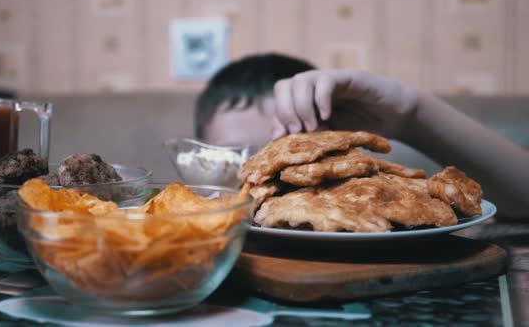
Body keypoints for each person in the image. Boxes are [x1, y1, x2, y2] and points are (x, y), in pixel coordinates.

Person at [195, 53, 529, 220]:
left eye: (286, 156)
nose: (261, 182)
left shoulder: (375, 214)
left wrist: (412, 114)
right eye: (232, 159)